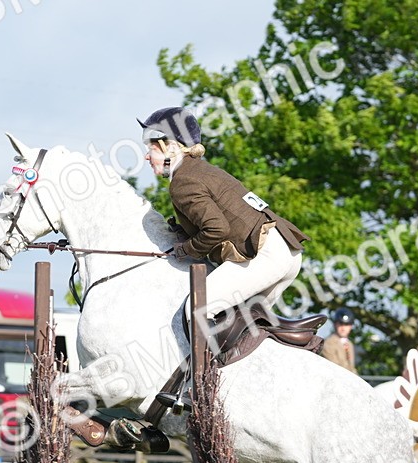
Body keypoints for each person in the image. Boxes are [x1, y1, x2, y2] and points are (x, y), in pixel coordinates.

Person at [138, 106, 309, 323]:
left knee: (197, 310)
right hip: (287, 250)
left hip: (263, 255)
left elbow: (217, 229)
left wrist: (184, 250)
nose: (146, 156)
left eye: (151, 148)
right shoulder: (200, 170)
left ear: (171, 147)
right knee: (242, 322)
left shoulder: (182, 181)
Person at [321, 308, 357, 373]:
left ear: (351, 326)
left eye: (346, 324)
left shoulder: (349, 344)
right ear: (335, 324)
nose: (343, 328)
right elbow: (336, 368)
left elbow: (352, 367)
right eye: (340, 324)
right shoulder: (328, 343)